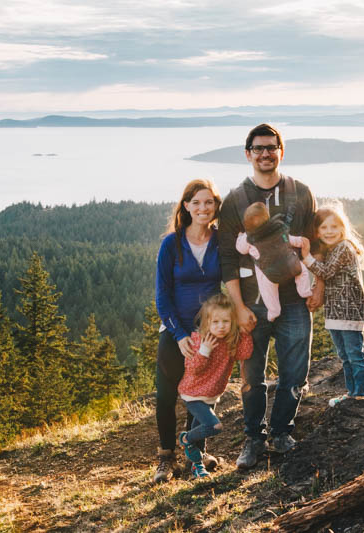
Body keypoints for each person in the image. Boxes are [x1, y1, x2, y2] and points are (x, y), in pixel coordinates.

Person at [218, 123, 323, 469]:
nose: (265, 153)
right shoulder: (235, 200)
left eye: (271, 147)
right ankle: (253, 438)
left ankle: (281, 432)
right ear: (248, 154)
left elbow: (315, 243)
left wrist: (318, 285)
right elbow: (229, 259)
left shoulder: (301, 192)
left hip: (295, 300)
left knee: (295, 372)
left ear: (281, 150)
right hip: (251, 303)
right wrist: (237, 307)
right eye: (258, 148)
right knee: (251, 377)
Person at [153, 179, 222, 483]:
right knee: (167, 396)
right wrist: (179, 334)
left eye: (208, 202)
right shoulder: (172, 243)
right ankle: (166, 458)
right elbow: (162, 295)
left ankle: (197, 454)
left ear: (215, 206)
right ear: (186, 206)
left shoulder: (221, 240)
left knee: (202, 392)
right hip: (174, 330)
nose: (203, 208)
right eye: (196, 202)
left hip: (208, 333)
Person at [300, 204, 364, 407]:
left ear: (343, 228)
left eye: (334, 227)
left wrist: (306, 257)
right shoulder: (332, 250)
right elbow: (325, 276)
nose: (329, 232)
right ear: (317, 231)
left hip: (350, 312)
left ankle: (361, 394)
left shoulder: (344, 248)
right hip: (335, 313)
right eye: (323, 228)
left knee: (355, 355)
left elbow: (327, 272)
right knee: (345, 357)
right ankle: (352, 394)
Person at [177, 294, 253, 479]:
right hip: (194, 393)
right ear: (207, 322)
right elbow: (193, 369)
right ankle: (185, 438)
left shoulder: (230, 341)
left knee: (200, 436)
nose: (221, 326)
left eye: (226, 321)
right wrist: (205, 350)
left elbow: (245, 353)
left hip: (211, 394)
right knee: (214, 426)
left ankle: (197, 465)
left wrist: (245, 331)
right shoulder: (198, 339)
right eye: (216, 321)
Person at [236, 202, 312, 322]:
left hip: (270, 273)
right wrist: (300, 241)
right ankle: (305, 291)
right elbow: (290, 239)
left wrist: (240, 237)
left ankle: (274, 310)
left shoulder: (248, 238)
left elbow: (241, 249)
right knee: (302, 271)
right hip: (291, 265)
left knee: (267, 290)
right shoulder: (278, 228)